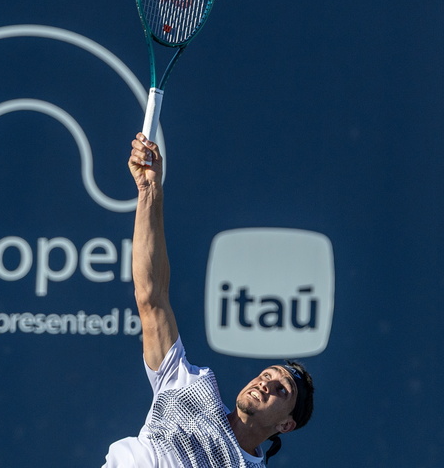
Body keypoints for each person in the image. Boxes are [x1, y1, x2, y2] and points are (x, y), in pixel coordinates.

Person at [102, 133, 314, 467]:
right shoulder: (190, 387)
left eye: (282, 390)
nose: (267, 383)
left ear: (285, 425)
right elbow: (151, 298)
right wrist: (148, 191)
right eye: (269, 374)